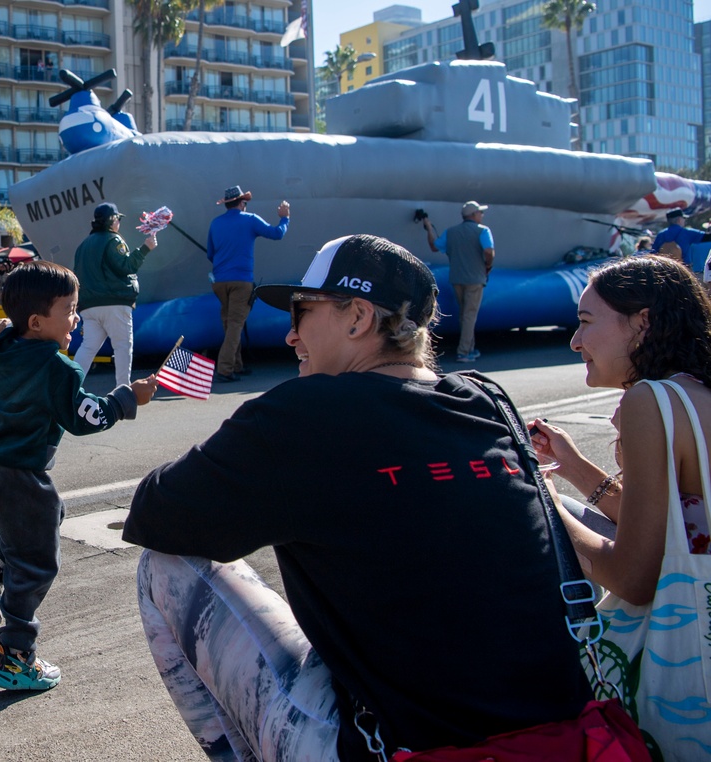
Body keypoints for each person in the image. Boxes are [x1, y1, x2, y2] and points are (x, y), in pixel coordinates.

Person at [122, 234, 593, 760]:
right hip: (567, 736)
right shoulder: (488, 400)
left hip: (394, 747)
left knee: (164, 566)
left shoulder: (304, 413)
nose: (291, 336)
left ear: (358, 317)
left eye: (302, 312)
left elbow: (155, 515)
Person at [528, 255, 711, 757]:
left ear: (643, 321)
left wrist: (539, 502)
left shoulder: (651, 401)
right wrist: (574, 467)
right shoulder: (695, 394)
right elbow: (683, 526)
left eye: (586, 322)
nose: (575, 341)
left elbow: (633, 577)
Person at [0, 261, 158, 691]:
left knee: (48, 519)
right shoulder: (57, 367)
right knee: (38, 561)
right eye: (68, 309)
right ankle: (16, 658)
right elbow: (87, 417)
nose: (76, 318)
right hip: (21, 475)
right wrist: (126, 398)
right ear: (36, 321)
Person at [206, 185, 289, 382]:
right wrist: (285, 218)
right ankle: (225, 369)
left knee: (228, 322)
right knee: (236, 324)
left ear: (227, 204)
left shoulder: (215, 223)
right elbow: (277, 233)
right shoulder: (250, 219)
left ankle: (237, 365)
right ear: (242, 203)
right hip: (241, 280)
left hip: (219, 281)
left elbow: (210, 253)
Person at [73, 202, 157, 388]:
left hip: (89, 306)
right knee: (122, 347)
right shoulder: (113, 240)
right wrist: (145, 248)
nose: (119, 223)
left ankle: (68, 386)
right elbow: (126, 266)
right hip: (115, 302)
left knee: (88, 348)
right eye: (118, 219)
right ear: (112, 221)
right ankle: (122, 390)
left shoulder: (83, 246)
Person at [423, 200, 495, 363]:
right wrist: (488, 265)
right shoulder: (483, 231)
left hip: (456, 279)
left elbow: (434, 246)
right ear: (474, 215)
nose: (482, 215)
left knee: (464, 315)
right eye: (480, 213)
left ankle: (470, 348)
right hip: (475, 279)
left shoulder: (451, 232)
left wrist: (428, 227)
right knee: (470, 315)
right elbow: (489, 251)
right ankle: (463, 352)